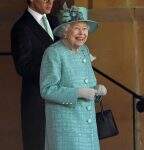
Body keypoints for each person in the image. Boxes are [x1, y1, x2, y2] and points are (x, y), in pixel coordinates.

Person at [40, 6, 107, 150]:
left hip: (87, 126)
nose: (82, 33)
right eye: (77, 28)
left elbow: (88, 87)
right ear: (65, 31)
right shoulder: (53, 53)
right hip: (66, 128)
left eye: (85, 28)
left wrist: (97, 91)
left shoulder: (84, 50)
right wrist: (77, 93)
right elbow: (47, 90)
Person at [11, 0, 58, 150]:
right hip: (37, 100)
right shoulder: (21, 27)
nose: (50, 1)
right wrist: (54, 71)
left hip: (61, 98)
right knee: (38, 143)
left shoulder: (54, 21)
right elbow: (23, 67)